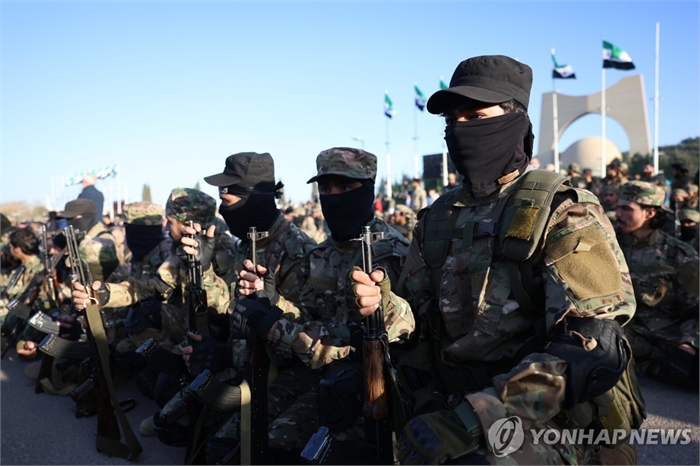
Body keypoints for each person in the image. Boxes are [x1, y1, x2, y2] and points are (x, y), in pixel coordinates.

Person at [393, 55, 641, 464]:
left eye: (476, 116)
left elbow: (592, 348)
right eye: (452, 120)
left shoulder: (564, 210)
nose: (460, 129)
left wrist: (475, 418)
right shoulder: (438, 217)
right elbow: (416, 319)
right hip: (452, 398)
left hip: (547, 414)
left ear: (514, 121)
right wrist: (381, 303)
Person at [196, 147, 414, 462]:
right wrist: (274, 301)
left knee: (275, 447)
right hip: (315, 374)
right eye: (326, 189)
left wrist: (276, 326)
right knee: (236, 441)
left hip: (367, 387)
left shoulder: (392, 253)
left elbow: (370, 338)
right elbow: (311, 317)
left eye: (345, 187)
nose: (333, 197)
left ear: (368, 189)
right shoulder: (323, 254)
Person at [158, 153, 317, 458]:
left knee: (224, 451)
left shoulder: (297, 251)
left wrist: (227, 354)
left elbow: (302, 336)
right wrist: (203, 269)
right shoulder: (246, 245)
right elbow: (232, 306)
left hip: (280, 374)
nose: (222, 210)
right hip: (241, 363)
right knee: (172, 421)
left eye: (226, 201)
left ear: (252, 199)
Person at [615, 181, 699, 389]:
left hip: (667, 336)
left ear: (650, 213)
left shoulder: (678, 254)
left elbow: (696, 307)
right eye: (618, 207)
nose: (618, 214)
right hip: (623, 332)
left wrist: (688, 346)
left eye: (626, 209)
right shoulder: (608, 246)